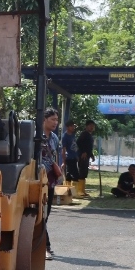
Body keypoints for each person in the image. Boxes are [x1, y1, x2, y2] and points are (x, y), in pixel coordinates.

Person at [41, 108, 62, 260]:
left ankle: (44, 245)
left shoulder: (54, 137)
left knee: (46, 214)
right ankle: (44, 246)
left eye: (57, 120)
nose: (56, 122)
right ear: (44, 119)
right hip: (37, 179)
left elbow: (55, 156)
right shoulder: (35, 135)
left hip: (50, 180)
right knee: (40, 215)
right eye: (53, 119)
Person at [75, 120, 96, 198]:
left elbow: (89, 147)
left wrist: (91, 155)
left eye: (93, 126)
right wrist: (83, 152)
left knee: (84, 172)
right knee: (82, 172)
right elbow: (78, 143)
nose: (92, 127)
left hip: (87, 156)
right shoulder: (84, 134)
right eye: (90, 125)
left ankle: (82, 190)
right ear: (86, 126)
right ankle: (79, 191)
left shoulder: (90, 135)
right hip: (83, 156)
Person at [60, 119, 79, 187]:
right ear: (67, 127)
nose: (73, 127)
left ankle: (69, 188)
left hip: (74, 157)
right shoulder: (65, 137)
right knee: (74, 175)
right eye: (71, 126)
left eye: (73, 126)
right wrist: (64, 161)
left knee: (71, 174)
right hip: (69, 158)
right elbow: (63, 149)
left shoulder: (73, 134)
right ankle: (72, 189)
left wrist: (77, 156)